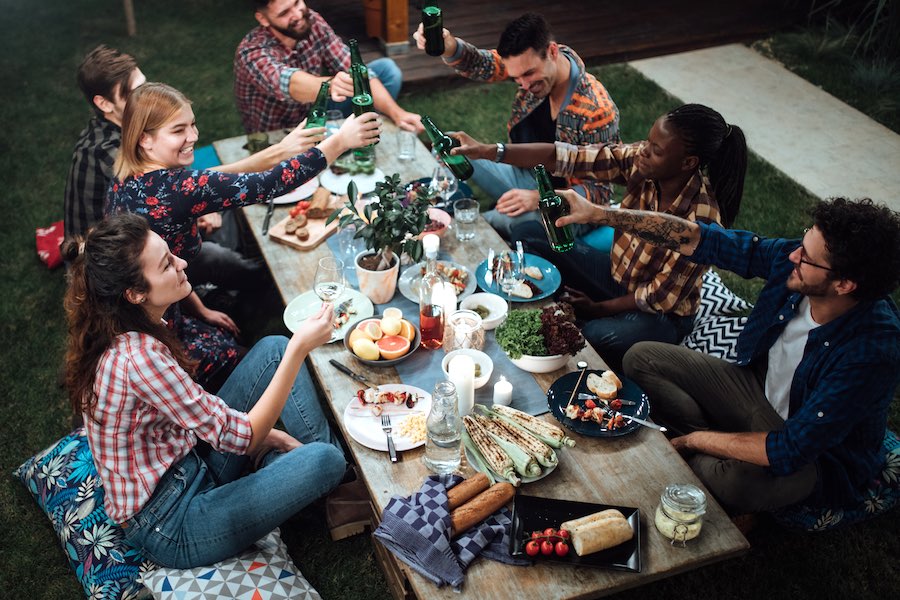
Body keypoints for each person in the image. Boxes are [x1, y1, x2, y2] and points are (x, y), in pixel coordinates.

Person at [558, 193, 900, 514]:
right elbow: (702, 239)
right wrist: (600, 213)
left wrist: (695, 440)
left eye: (807, 258)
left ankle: (699, 454)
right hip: (755, 392)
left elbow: (792, 448)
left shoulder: (870, 354)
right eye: (801, 243)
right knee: (642, 358)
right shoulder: (792, 260)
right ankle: (711, 453)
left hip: (813, 453)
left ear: (844, 285)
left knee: (738, 483)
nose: (793, 256)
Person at [62, 213, 348, 567]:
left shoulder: (129, 324)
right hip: (171, 523)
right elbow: (241, 437)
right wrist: (299, 348)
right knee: (324, 460)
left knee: (273, 349)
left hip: (189, 463)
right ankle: (326, 469)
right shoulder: (137, 358)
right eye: (167, 265)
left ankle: (329, 481)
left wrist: (274, 437)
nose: (182, 264)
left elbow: (206, 417)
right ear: (135, 293)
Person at [106, 82, 379, 389]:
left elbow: (221, 176)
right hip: (155, 332)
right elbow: (269, 184)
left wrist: (283, 149)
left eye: (193, 125)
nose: (193, 136)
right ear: (145, 138)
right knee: (256, 363)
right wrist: (340, 141)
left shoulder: (126, 179)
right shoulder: (178, 188)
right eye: (179, 130)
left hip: (150, 307)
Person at [453, 103, 747, 373]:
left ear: (688, 162)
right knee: (528, 232)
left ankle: (579, 322)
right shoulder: (642, 162)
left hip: (659, 315)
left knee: (594, 336)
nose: (643, 150)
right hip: (615, 277)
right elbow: (568, 157)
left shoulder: (703, 220)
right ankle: (566, 310)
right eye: (647, 141)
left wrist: (597, 309)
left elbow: (657, 297)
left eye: (656, 149)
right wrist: (488, 151)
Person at [414, 12, 619, 239]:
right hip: (525, 176)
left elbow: (600, 193)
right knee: (451, 144)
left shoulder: (596, 110)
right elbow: (483, 63)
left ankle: (451, 229)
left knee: (502, 221)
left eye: (529, 74)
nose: (524, 84)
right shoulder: (530, 63)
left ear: (552, 52)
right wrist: (447, 45)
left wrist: (540, 198)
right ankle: (446, 206)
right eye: (516, 78)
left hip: (569, 207)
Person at [235, 0, 422, 134]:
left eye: (297, 3)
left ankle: (359, 135)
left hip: (319, 109)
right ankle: (343, 140)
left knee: (386, 70)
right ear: (263, 19)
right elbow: (290, 83)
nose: (297, 15)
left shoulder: (312, 21)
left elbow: (351, 64)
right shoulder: (251, 52)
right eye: (284, 13)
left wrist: (398, 114)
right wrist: (331, 85)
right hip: (281, 133)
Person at [63, 45, 147, 247]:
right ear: (104, 104)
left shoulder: (123, 121)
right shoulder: (109, 153)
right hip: (106, 262)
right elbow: (169, 193)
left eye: (145, 85)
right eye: (135, 93)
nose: (146, 97)